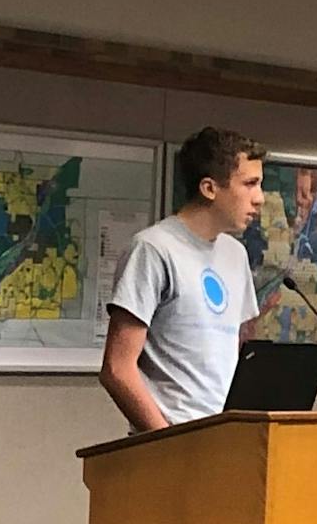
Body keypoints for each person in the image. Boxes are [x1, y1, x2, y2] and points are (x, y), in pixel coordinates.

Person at [99, 127, 266, 433]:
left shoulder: (236, 254)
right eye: (250, 184)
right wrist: (167, 441)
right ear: (209, 188)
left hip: (224, 441)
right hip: (171, 446)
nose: (260, 199)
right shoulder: (153, 248)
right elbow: (117, 369)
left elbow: (240, 353)